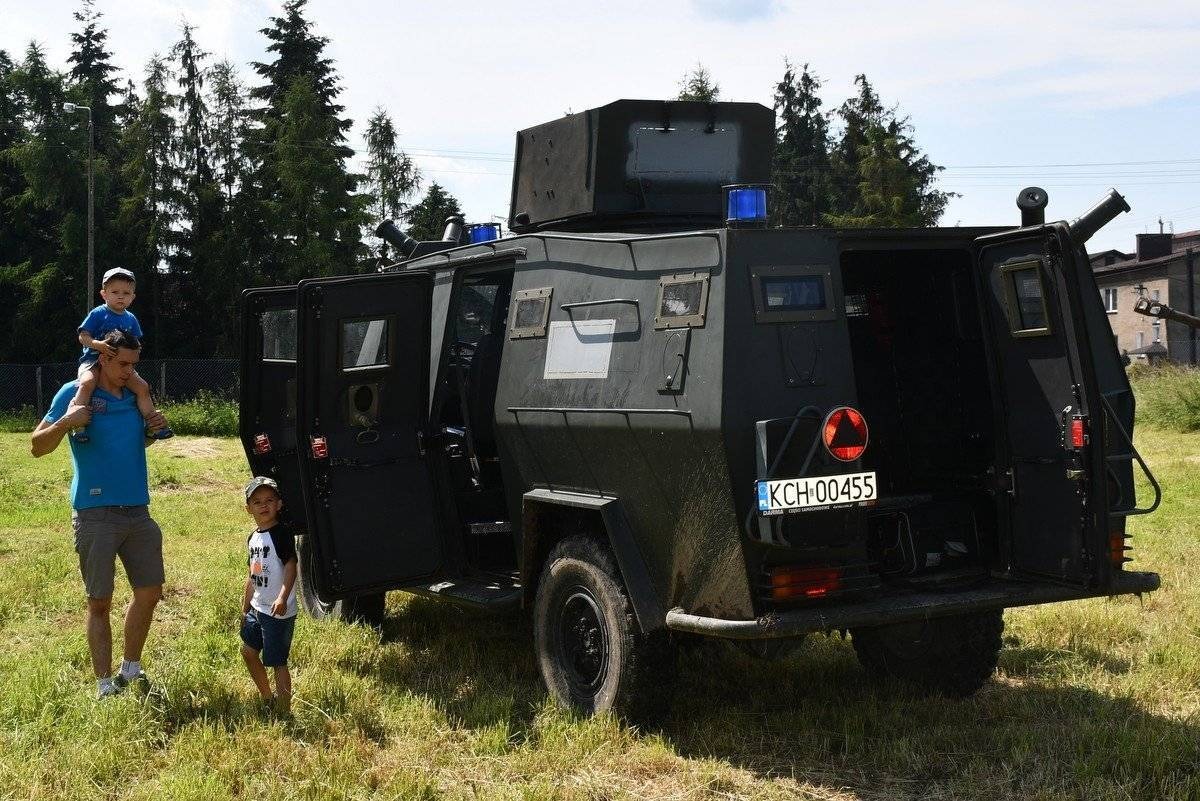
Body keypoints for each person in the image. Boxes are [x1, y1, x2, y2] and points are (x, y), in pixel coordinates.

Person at [30, 329, 170, 699]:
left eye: (134, 365)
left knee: (150, 591)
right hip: (95, 514)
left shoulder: (133, 397)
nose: (129, 371)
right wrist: (65, 423)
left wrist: (152, 431)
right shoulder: (72, 393)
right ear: (103, 357)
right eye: (123, 363)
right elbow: (36, 447)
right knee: (100, 601)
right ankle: (104, 684)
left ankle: (131, 668)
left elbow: (132, 443)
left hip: (138, 511)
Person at [72, 267, 172, 442]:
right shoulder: (98, 313)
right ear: (104, 294)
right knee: (87, 383)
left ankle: (154, 424)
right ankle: (77, 424)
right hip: (93, 360)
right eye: (115, 292)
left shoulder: (131, 319)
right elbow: (83, 336)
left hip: (120, 364)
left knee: (142, 386)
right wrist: (98, 345)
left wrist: (137, 350)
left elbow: (136, 342)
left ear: (132, 297)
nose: (120, 296)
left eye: (126, 293)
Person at [240, 476, 298, 715]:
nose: (264, 505)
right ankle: (267, 697)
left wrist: (283, 597)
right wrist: (245, 608)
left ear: (279, 504)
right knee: (248, 651)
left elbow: (291, 565)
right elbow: (252, 574)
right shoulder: (253, 537)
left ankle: (285, 713)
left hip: (277, 610)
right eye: (257, 501)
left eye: (269, 500)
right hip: (257, 607)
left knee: (277, 662)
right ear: (249, 508)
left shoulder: (282, 533)